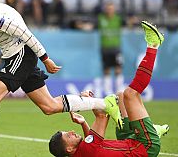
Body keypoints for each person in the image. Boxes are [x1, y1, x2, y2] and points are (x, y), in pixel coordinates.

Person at [0, 0, 123, 157]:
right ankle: (106, 103)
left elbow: (25, 33)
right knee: (49, 106)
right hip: (13, 54)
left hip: (22, 52)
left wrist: (45, 58)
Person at [49, 21, 169, 157]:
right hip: (145, 147)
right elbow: (102, 115)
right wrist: (89, 102)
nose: (71, 131)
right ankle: (153, 45)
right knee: (131, 94)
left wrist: (83, 123)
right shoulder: (86, 151)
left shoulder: (81, 153)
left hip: (128, 141)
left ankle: (150, 129)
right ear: (69, 149)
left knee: (121, 96)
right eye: (68, 136)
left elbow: (93, 144)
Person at [98, 1, 124, 95]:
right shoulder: (101, 19)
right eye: (108, 9)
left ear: (114, 10)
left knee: (118, 69)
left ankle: (119, 91)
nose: (110, 10)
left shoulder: (118, 19)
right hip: (105, 49)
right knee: (107, 70)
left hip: (116, 49)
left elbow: (128, 24)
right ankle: (108, 92)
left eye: (111, 9)